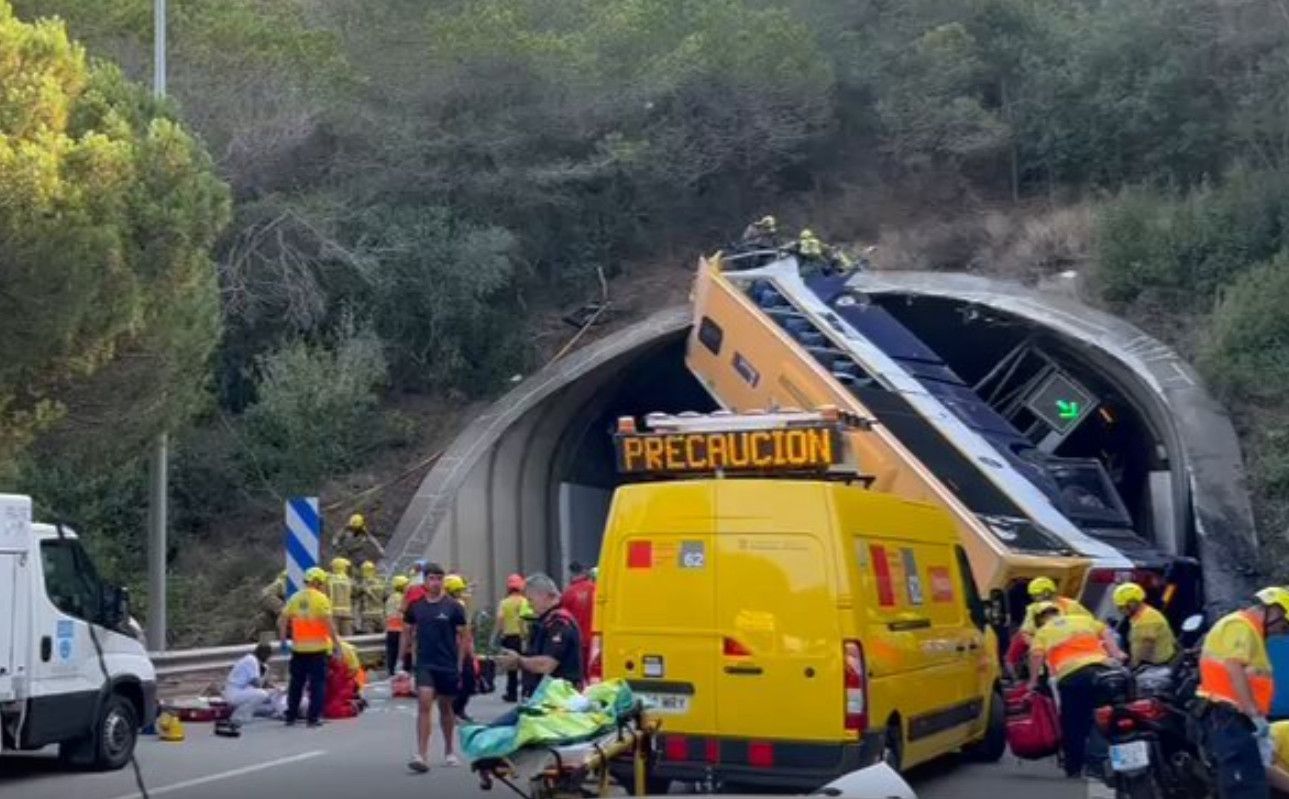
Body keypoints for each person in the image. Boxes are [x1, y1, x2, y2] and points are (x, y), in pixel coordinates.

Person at [1197, 587, 1289, 799]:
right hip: (1229, 715)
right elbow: (1234, 667)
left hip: (1234, 718)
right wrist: (1252, 712)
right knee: (1244, 787)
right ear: (1274, 611)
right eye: (1283, 627)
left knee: (1251, 780)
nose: (1280, 633)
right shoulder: (1239, 625)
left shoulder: (1249, 631)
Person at [1027, 602, 1127, 778]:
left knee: (1073, 724)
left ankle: (1074, 768)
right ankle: (1115, 762)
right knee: (1108, 716)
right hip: (1102, 671)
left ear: (1039, 619)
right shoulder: (1082, 619)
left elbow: (1036, 656)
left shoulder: (1042, 632)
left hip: (1072, 678)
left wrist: (1032, 681)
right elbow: (1105, 631)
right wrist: (1116, 653)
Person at [401, 563, 468, 773]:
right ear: (425, 580)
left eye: (439, 578)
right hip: (425, 664)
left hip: (447, 664)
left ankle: (449, 750)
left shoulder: (454, 607)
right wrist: (401, 661)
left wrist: (459, 664)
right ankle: (421, 754)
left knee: (445, 708)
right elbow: (407, 632)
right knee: (424, 704)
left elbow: (464, 637)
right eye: (431, 578)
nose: (435, 582)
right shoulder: (416, 606)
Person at [496, 573, 584, 698]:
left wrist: (519, 660)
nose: (529, 605)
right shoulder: (547, 621)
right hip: (547, 697)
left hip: (557, 701)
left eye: (531, 599)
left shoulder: (559, 623)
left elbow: (546, 664)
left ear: (547, 596)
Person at [278, 567, 342, 728]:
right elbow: (328, 624)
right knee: (317, 685)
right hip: (317, 650)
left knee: (296, 684)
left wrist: (283, 639)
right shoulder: (321, 599)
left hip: (298, 650)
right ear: (318, 582)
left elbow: (283, 619)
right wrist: (336, 644)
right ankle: (313, 718)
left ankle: (290, 716)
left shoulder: (295, 598)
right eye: (322, 583)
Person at [1113, 582, 1178, 669]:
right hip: (1157, 666)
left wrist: (1130, 668)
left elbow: (1141, 655)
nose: (1119, 610)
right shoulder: (1144, 614)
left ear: (1132, 604)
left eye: (1121, 607)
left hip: (1156, 669)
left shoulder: (1146, 622)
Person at [221, 643, 276, 734]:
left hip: (239, 690)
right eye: (268, 656)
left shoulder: (252, 660)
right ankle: (238, 717)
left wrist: (274, 688)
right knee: (262, 694)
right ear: (264, 654)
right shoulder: (252, 661)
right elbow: (257, 684)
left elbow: (261, 683)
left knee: (268, 695)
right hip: (234, 693)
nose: (268, 659)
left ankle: (246, 714)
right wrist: (265, 672)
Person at [491, 574, 529, 703]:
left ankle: (511, 693)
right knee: (526, 666)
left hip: (509, 637)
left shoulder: (504, 602)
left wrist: (496, 634)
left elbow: (500, 619)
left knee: (511, 667)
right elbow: (524, 619)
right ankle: (526, 692)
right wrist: (525, 636)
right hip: (522, 637)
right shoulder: (524, 601)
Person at [444, 574, 477, 722]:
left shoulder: (460, 605)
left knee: (469, 680)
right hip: (453, 648)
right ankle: (451, 711)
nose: (460, 594)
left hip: (464, 646)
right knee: (455, 681)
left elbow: (466, 629)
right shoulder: (446, 607)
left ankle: (459, 709)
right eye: (458, 591)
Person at [1019, 576, 1093, 640]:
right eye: (1032, 595)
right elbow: (1026, 632)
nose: (1033, 598)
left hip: (1071, 641)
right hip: (1045, 644)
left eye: (1036, 595)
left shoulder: (1071, 605)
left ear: (1046, 593)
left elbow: (1090, 623)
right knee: (1019, 638)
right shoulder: (1033, 608)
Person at [561, 562, 596, 672]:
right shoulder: (595, 588)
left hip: (576, 639)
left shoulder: (568, 593)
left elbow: (563, 618)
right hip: (595, 639)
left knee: (578, 671)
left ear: (571, 573)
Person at [250, 571, 286, 644]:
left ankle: (261, 639)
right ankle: (279, 641)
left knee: (269, 618)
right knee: (283, 613)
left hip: (276, 596)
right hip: (271, 596)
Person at [385, 574, 410, 674]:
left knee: (391, 652)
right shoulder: (402, 598)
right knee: (401, 652)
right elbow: (405, 611)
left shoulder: (390, 598)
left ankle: (391, 671)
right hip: (400, 629)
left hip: (390, 629)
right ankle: (401, 671)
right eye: (406, 585)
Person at [356, 561, 386, 635]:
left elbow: (354, 593)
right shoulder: (381, 583)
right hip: (380, 613)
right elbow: (385, 597)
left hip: (368, 615)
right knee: (382, 640)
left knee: (369, 639)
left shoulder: (363, 584)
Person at [329, 558, 355, 636]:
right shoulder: (349, 580)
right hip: (347, 612)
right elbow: (354, 594)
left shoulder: (329, 579)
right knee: (348, 637)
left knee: (334, 636)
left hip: (333, 612)